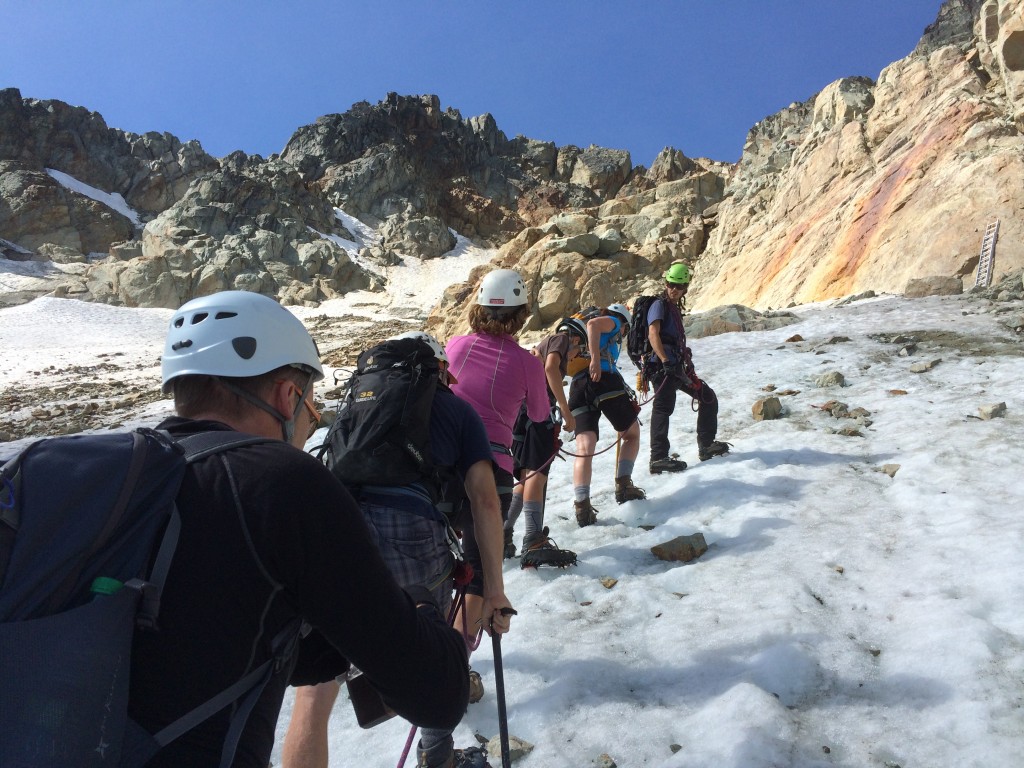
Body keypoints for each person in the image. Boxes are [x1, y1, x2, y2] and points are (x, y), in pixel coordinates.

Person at [135, 290, 472, 768]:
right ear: (287, 396)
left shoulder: (107, 472)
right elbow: (438, 695)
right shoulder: (284, 481)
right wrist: (420, 605)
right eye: (313, 411)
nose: (311, 424)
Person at [282, 331, 513, 768]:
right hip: (413, 533)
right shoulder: (457, 410)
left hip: (338, 526)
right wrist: (495, 589)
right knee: (433, 653)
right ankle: (436, 756)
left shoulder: (357, 406)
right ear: (439, 369)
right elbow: (485, 499)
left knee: (314, 689)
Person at [445, 269, 549, 604]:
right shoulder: (527, 364)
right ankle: (460, 650)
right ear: (519, 316)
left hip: (440, 465)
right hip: (493, 469)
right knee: (477, 573)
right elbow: (539, 415)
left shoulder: (456, 345)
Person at [506, 318, 583, 566]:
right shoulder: (560, 339)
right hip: (537, 416)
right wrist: (566, 408)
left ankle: (503, 533)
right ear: (575, 339)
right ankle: (533, 539)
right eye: (576, 352)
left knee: (527, 479)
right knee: (537, 476)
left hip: (522, 417)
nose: (571, 359)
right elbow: (551, 368)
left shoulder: (544, 345)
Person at [647, 262, 730, 472]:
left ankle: (706, 445)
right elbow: (653, 334)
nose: (674, 289)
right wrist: (665, 360)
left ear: (685, 287)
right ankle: (658, 458)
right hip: (662, 366)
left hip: (675, 366)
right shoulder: (659, 305)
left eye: (679, 286)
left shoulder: (672, 307)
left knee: (707, 396)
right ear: (665, 283)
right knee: (663, 408)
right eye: (670, 284)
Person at [568, 304, 646, 525]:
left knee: (584, 448)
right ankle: (624, 486)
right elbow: (593, 324)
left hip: (578, 386)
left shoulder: (582, 335)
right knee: (631, 434)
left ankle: (582, 507)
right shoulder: (614, 322)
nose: (623, 334)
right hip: (603, 380)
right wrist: (595, 359)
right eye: (626, 330)